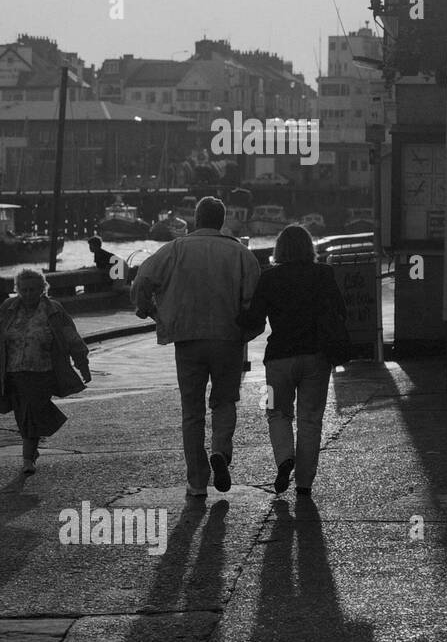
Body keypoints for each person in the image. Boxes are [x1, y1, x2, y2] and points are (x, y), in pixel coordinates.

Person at [131, 196, 261, 498]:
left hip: (187, 338)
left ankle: (197, 482)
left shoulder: (175, 249)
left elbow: (143, 279)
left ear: (196, 220)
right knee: (225, 401)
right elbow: (253, 298)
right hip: (228, 338)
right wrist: (246, 332)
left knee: (192, 411)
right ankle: (220, 449)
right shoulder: (241, 254)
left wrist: (147, 310)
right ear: (221, 221)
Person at [236, 224, 347, 496]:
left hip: (277, 362)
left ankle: (285, 458)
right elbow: (340, 312)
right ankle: (305, 484)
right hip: (316, 358)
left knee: (275, 412)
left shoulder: (269, 278)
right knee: (310, 419)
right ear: (309, 248)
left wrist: (233, 313)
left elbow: (255, 319)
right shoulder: (324, 274)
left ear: (279, 249)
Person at [0, 268, 91, 474]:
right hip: (12, 373)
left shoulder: (53, 310)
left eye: (33, 289)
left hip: (42, 373)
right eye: (24, 289)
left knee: (30, 413)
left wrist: (82, 365)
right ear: (17, 289)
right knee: (23, 416)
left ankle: (27, 459)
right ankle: (32, 449)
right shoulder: (8, 308)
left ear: (43, 289)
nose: (28, 294)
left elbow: (72, 338)